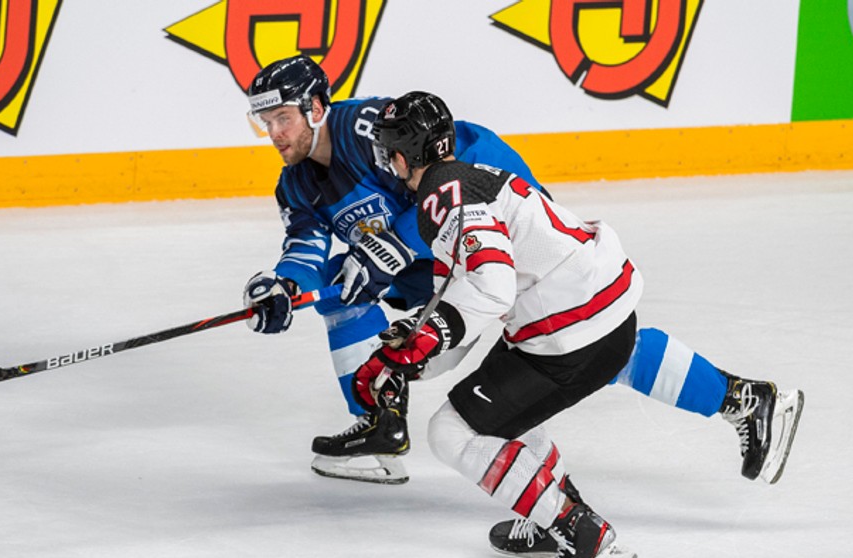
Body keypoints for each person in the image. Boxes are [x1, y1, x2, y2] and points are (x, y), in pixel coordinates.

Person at [240, 55, 803, 489]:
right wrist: (285, 286)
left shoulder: (366, 127)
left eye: (282, 118)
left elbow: (450, 176)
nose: (275, 134)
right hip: (440, 259)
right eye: (265, 122)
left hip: (496, 226)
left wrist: (391, 242)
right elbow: (307, 245)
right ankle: (380, 427)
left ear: (316, 108)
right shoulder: (295, 182)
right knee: (344, 292)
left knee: (570, 344)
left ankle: (741, 400)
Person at [341, 90, 804, 557]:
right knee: (503, 404)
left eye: (387, 151)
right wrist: (407, 361)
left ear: (402, 154)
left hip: (568, 332)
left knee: (451, 433)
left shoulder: (440, 195)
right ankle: (559, 511)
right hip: (595, 308)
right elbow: (463, 300)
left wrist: (425, 338)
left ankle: (579, 533)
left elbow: (491, 285)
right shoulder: (468, 176)